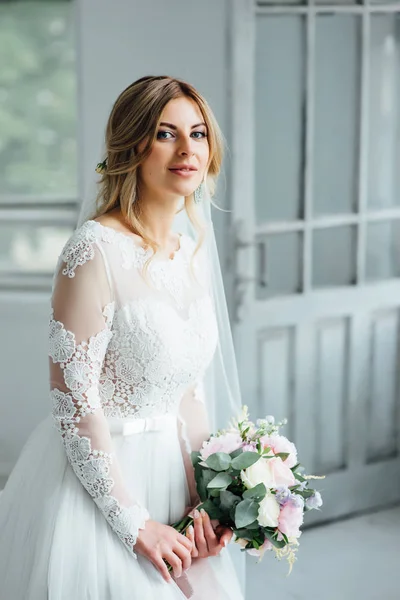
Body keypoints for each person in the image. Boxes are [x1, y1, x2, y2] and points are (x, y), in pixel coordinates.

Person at [0, 76, 244, 599]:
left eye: (198, 134)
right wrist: (133, 523)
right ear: (131, 144)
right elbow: (73, 403)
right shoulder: (93, 249)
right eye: (165, 134)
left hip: (174, 479)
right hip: (103, 485)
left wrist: (209, 497)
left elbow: (189, 392)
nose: (187, 150)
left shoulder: (192, 250)